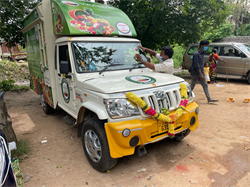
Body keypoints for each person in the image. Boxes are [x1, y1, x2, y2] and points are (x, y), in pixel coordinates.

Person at [190, 40, 218, 104]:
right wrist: (201, 74)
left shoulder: (202, 53)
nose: (206, 47)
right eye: (205, 46)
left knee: (205, 85)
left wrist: (202, 73)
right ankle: (184, 98)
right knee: (191, 87)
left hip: (201, 73)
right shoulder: (196, 54)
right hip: (196, 73)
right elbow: (197, 65)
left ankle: (209, 99)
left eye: (207, 46)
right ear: (201, 46)